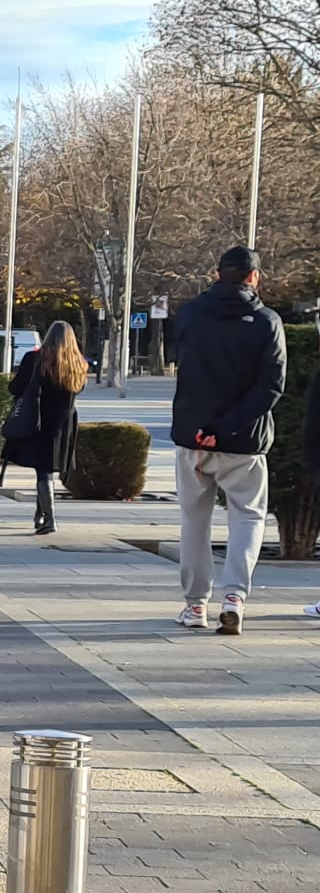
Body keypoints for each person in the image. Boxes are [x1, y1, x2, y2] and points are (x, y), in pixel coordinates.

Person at [172, 246, 285, 635]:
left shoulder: (190, 313)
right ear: (254, 277)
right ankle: (234, 596)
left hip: (194, 438)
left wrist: (204, 427)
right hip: (245, 441)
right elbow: (271, 386)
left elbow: (187, 369)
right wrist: (229, 427)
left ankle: (194, 605)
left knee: (194, 520)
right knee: (248, 516)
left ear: (217, 273)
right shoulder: (267, 322)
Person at [3, 321, 87, 537]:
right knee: (47, 469)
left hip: (39, 419)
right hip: (65, 422)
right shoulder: (79, 363)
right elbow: (80, 389)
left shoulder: (35, 359)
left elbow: (15, 388)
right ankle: (40, 515)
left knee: (43, 471)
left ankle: (49, 518)